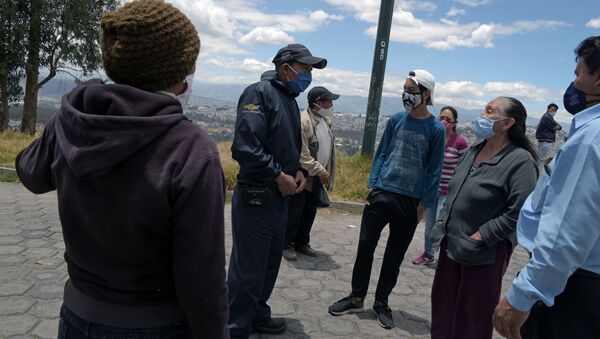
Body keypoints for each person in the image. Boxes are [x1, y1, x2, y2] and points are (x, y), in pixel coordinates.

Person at [15, 1, 228, 338]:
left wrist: (70, 113)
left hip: (76, 315)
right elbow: (202, 278)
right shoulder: (191, 148)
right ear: (179, 75)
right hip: (155, 325)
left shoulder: (76, 119)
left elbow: (30, 173)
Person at [493, 36, 600, 339]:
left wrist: (524, 294)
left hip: (573, 290)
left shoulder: (591, 137)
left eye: (578, 73)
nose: (574, 83)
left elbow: (567, 231)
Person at [328, 69, 445, 329]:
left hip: (410, 202)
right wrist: (373, 185)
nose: (406, 95)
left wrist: (424, 204)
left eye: (412, 91)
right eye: (405, 89)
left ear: (426, 94)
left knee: (394, 256)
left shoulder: (436, 129)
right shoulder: (396, 120)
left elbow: (434, 170)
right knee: (365, 246)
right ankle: (356, 296)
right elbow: (382, 153)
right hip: (382, 193)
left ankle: (381, 302)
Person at [227, 43, 327, 338]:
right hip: (257, 196)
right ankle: (234, 328)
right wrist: (276, 174)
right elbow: (245, 145)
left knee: (270, 264)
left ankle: (257, 314)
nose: (307, 75)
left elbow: (287, 147)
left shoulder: (288, 99)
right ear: (286, 68)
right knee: (248, 269)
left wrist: (297, 171)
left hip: (279, 198)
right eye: (305, 69)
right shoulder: (258, 93)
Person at [430, 97, 538, 339]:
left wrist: (483, 235)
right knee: (443, 309)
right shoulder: (474, 150)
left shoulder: (520, 160)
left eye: (490, 111)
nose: (482, 114)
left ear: (508, 122)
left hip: (483, 253)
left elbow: (520, 210)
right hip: (451, 244)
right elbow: (455, 189)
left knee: (472, 318)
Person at [283, 86, 340, 261]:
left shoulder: (324, 121)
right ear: (318, 103)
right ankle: (287, 244)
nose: (331, 105)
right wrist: (320, 170)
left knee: (309, 211)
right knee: (295, 211)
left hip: (317, 177)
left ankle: (302, 242)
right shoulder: (304, 121)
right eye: (328, 101)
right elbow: (303, 154)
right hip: (304, 175)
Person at [412, 106, 469, 265]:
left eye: (448, 119)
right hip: (431, 190)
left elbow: (466, 165)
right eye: (441, 117)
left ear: (455, 122)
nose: (444, 121)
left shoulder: (460, 142)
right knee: (429, 225)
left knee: (441, 224)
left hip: (448, 192)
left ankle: (445, 258)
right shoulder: (433, 138)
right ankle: (428, 254)